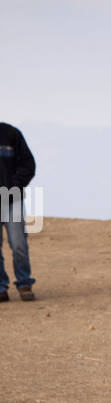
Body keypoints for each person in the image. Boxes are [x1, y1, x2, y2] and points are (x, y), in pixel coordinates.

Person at [0, 121, 36, 302]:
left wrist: (13, 187)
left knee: (19, 244)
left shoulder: (11, 134)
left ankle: (24, 283)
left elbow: (28, 165)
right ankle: (0, 288)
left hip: (12, 200)